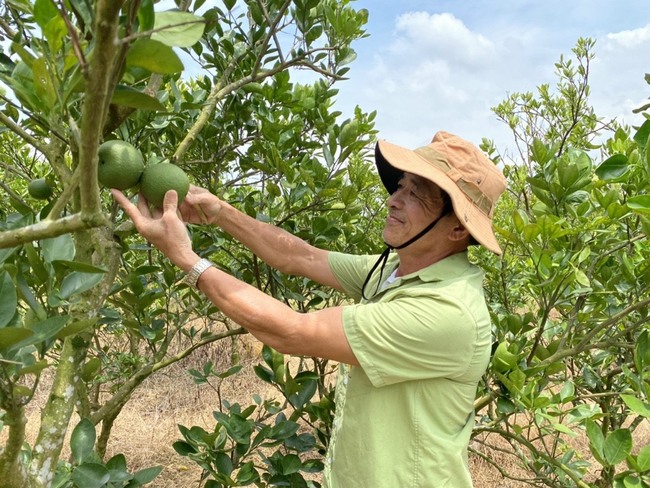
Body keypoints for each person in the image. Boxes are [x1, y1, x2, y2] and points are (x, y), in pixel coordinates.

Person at [112, 130, 507, 487]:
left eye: (417, 195)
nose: (393, 200)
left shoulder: (446, 312)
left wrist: (186, 259)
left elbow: (290, 331)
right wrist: (220, 213)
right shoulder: (396, 269)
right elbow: (301, 257)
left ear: (458, 229)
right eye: (401, 186)